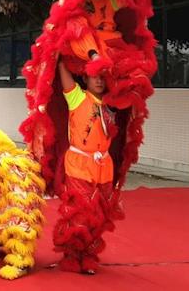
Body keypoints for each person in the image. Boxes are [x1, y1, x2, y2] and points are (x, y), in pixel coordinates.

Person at [54, 59, 122, 274]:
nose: (99, 81)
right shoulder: (77, 98)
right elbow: (63, 69)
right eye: (95, 76)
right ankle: (73, 256)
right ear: (85, 77)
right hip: (79, 165)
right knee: (79, 213)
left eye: (103, 77)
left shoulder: (112, 104)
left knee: (99, 216)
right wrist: (60, 50)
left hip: (104, 167)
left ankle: (89, 257)